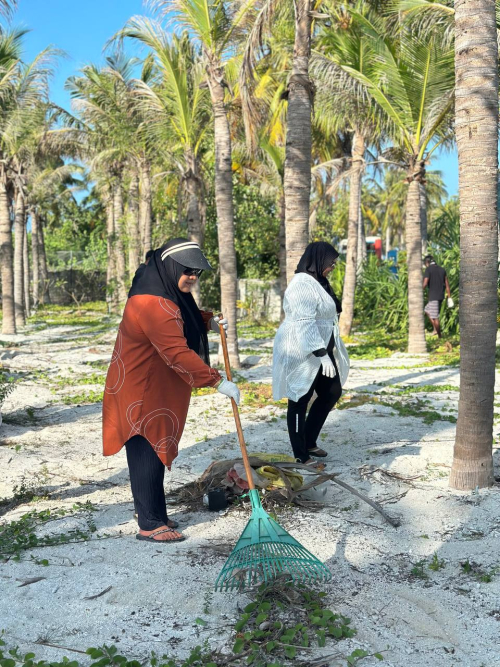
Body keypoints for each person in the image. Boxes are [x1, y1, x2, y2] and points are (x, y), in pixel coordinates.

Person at [102, 238, 240, 543]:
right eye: (187, 269)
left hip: (151, 387)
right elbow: (176, 350)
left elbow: (181, 319)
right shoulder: (154, 303)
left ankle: (154, 513)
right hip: (142, 390)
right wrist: (216, 380)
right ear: (171, 266)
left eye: (197, 272)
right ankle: (150, 524)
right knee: (146, 451)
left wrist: (207, 321)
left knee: (152, 451)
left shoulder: (163, 292)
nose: (192, 276)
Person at [272, 242, 350, 466]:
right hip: (301, 349)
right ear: (318, 260)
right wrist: (321, 354)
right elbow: (305, 323)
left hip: (321, 348)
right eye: (330, 263)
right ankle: (301, 454)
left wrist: (326, 352)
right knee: (299, 398)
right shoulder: (301, 284)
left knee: (331, 391)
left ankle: (308, 440)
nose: (332, 267)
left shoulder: (319, 282)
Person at [423, 255, 453, 338]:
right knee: (427, 310)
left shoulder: (428, 269)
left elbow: (425, 283)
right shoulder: (442, 270)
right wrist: (449, 296)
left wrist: (419, 290)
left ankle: (440, 335)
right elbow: (447, 284)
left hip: (433, 296)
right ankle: (436, 330)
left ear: (427, 262)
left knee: (435, 317)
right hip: (440, 296)